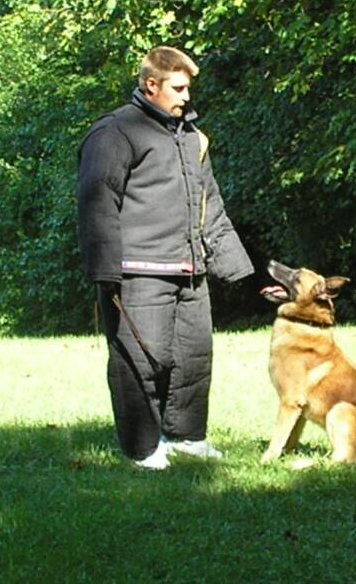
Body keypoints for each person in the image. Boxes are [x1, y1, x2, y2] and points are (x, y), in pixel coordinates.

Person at [77, 46, 254, 469]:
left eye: (188, 87)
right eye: (178, 88)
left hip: (191, 269)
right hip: (138, 271)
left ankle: (187, 437)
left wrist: (241, 272)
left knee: (194, 358)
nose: (186, 96)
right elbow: (97, 201)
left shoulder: (193, 138)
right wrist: (104, 269)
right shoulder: (115, 132)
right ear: (151, 84)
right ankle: (143, 450)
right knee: (138, 360)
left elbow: (209, 204)